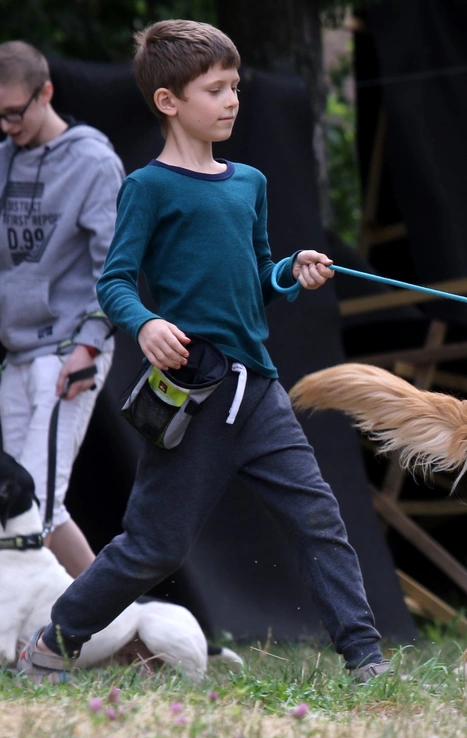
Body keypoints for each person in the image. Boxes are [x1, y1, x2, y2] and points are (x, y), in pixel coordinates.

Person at [18, 19, 389, 683]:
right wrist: (145, 324)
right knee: (152, 547)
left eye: (235, 86)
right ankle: (55, 643)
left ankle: (366, 660)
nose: (232, 99)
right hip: (192, 394)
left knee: (320, 521)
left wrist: (288, 273)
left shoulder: (248, 183)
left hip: (260, 392)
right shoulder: (147, 188)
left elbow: (255, 276)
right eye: (215, 89)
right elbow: (112, 282)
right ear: (169, 101)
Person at [0, 40, 122, 577]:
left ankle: (66, 635)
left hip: (70, 350)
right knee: (34, 509)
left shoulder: (93, 162)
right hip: (18, 354)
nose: (7, 126)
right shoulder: (2, 160)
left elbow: (117, 264)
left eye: (14, 112)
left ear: (45, 93)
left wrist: (89, 346)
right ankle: (113, 626)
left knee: (35, 507)